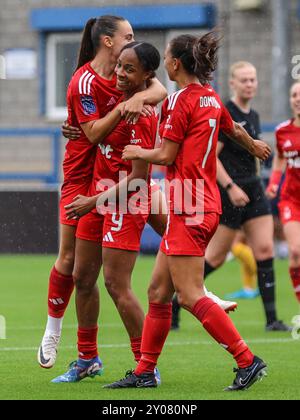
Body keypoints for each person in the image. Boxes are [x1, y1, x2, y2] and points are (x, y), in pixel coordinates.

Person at [104, 32, 270, 391]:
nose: (164, 61)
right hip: (200, 201)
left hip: (189, 203)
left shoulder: (182, 101)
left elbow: (165, 155)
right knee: (158, 293)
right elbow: (232, 127)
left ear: (176, 63)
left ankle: (247, 360)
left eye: (166, 56)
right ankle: (145, 370)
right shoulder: (210, 98)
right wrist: (253, 144)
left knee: (190, 295)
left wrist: (135, 152)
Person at [38, 15, 167, 370]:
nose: (133, 39)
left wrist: (137, 100)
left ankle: (149, 360)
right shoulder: (87, 81)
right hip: (83, 177)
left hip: (119, 187)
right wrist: (125, 105)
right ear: (108, 42)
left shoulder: (132, 73)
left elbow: (160, 90)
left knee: (116, 280)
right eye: (128, 35)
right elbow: (93, 133)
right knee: (75, 267)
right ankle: (61, 335)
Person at [172, 61, 290, 331]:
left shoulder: (255, 115)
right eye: (244, 80)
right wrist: (230, 187)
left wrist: (261, 184)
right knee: (214, 257)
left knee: (264, 250)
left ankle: (272, 320)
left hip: (253, 190)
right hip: (230, 191)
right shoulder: (226, 112)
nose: (250, 84)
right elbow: (211, 157)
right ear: (233, 83)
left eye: (253, 79)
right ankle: (176, 300)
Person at [266, 80, 300, 307]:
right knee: (296, 251)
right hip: (291, 199)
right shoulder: (282, 131)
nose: (297, 99)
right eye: (294, 95)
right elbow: (279, 157)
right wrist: (274, 182)